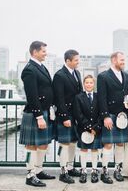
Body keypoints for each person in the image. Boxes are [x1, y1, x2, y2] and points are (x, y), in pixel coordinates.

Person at [19, 41, 55, 187]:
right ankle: (30, 174)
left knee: (43, 144)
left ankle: (39, 170)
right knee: (31, 146)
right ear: (34, 52)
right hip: (35, 114)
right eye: (43, 51)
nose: (45, 53)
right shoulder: (29, 69)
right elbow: (32, 96)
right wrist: (39, 116)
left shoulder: (41, 67)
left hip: (45, 110)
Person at [97, 52, 128, 184]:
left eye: (124, 60)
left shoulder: (127, 76)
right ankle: (104, 171)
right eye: (121, 60)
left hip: (123, 116)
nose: (123, 62)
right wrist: (105, 116)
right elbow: (101, 98)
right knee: (108, 144)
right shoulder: (103, 76)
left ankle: (118, 170)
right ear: (113, 60)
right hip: (110, 115)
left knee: (121, 144)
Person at [53, 50, 83, 183]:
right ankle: (63, 171)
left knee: (73, 143)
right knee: (64, 143)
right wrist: (64, 117)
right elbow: (58, 98)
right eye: (76, 60)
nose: (78, 62)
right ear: (68, 61)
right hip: (65, 114)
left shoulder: (77, 73)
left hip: (76, 113)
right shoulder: (59, 75)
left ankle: (70, 167)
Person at [73, 75, 103, 184]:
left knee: (95, 150)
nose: (89, 84)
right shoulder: (78, 97)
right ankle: (84, 171)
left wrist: (96, 127)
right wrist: (89, 128)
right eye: (87, 83)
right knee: (84, 149)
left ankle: (94, 171)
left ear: (93, 84)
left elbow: (102, 113)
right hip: (83, 129)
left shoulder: (98, 96)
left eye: (91, 82)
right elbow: (78, 114)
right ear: (83, 84)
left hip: (97, 129)